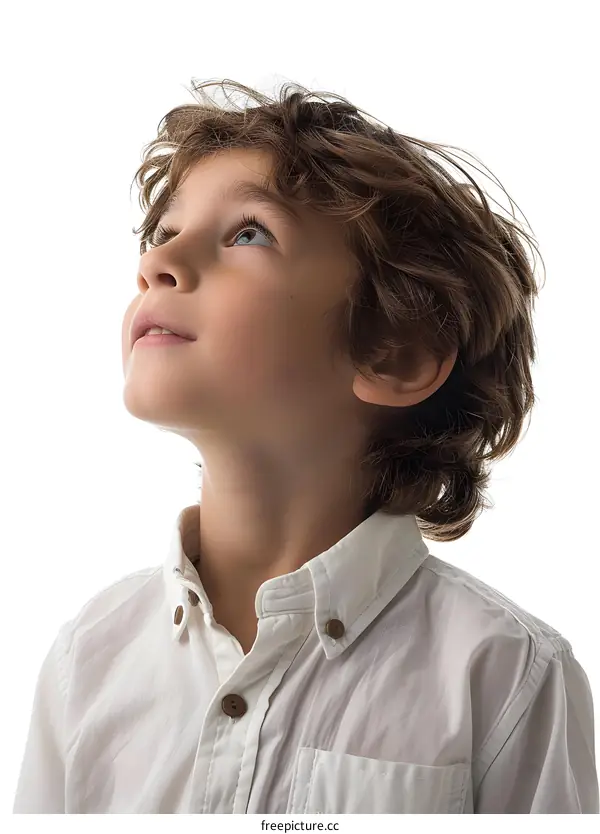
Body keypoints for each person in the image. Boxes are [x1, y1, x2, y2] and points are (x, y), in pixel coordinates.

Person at [13, 78, 598, 814]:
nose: (156, 263)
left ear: (395, 353)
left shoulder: (505, 678)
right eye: (163, 233)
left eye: (248, 233)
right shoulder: (86, 661)